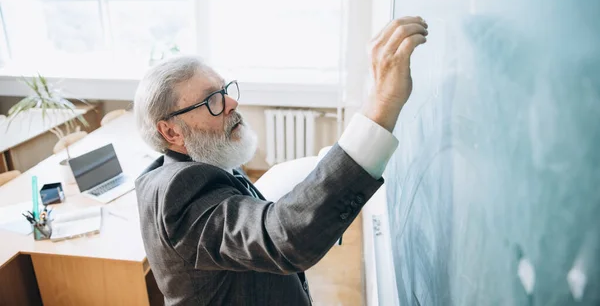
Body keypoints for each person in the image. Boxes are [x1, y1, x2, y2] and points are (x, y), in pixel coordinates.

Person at [134, 17, 428, 305]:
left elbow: (240, 226)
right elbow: (283, 237)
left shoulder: (200, 160)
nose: (231, 103)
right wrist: (383, 104)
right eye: (211, 99)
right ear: (170, 131)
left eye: (225, 90)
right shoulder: (181, 191)